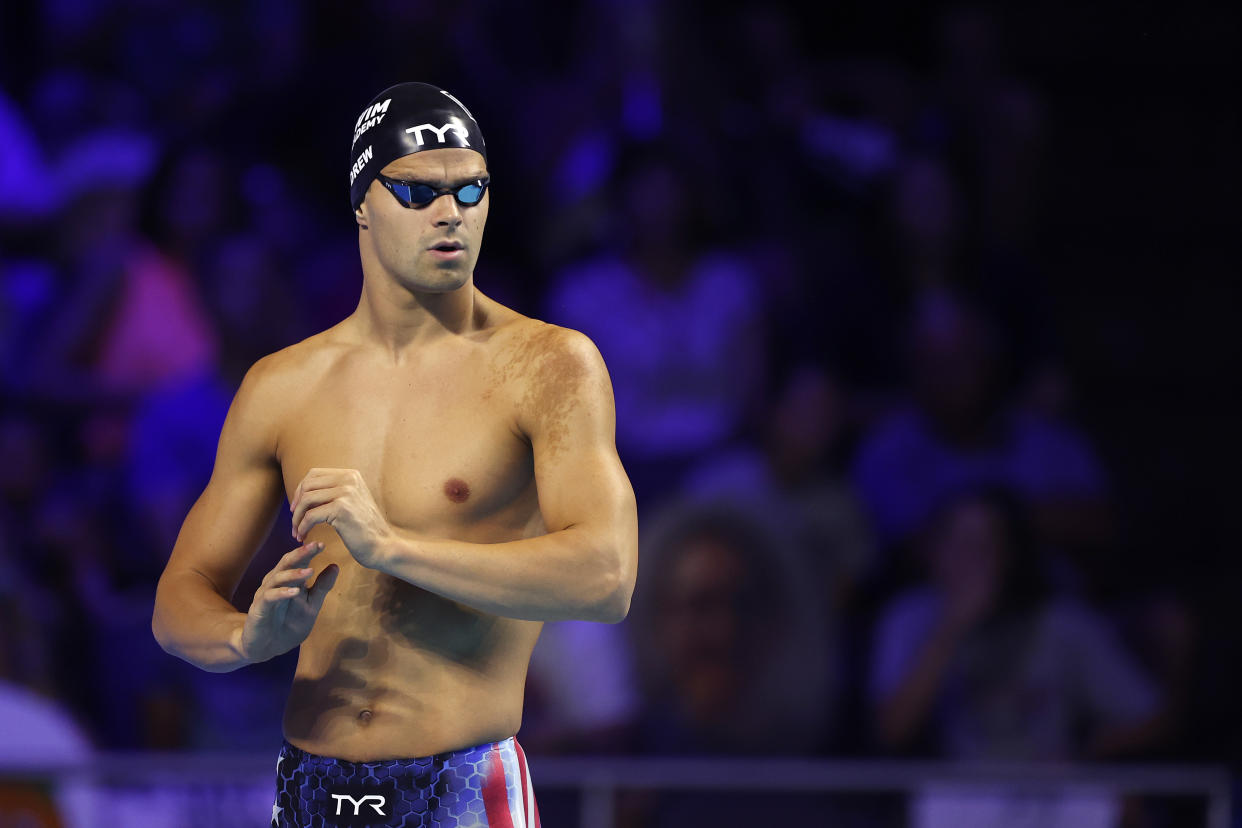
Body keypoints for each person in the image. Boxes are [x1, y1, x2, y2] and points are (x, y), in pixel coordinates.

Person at [152, 82, 638, 827]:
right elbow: (179, 597)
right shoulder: (283, 385)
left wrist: (391, 547)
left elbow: (606, 576)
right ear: (361, 204)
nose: (450, 214)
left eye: (469, 190)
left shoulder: (547, 365)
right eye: (416, 192)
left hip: (463, 787)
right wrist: (245, 637)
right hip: (309, 787)